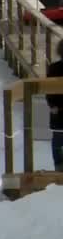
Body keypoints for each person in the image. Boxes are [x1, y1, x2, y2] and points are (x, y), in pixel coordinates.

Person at [50, 41, 63, 169]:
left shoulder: (53, 68)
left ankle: (59, 167)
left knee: (58, 139)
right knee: (58, 139)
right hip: (58, 110)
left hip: (57, 110)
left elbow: (48, 92)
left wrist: (52, 105)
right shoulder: (53, 68)